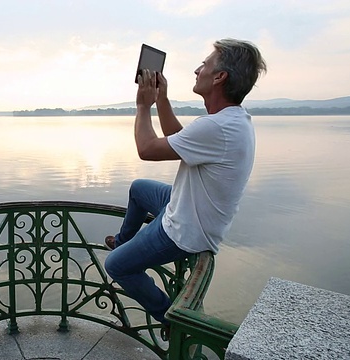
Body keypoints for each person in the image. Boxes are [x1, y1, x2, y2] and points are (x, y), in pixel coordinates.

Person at [104, 39, 266, 330]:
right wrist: (162, 100)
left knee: (116, 266)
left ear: (219, 77)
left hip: (187, 230)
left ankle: (171, 319)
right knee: (139, 188)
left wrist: (143, 106)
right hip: (187, 203)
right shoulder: (232, 121)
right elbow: (178, 137)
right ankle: (124, 242)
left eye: (205, 64)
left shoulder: (216, 127)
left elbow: (148, 149)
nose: (197, 70)